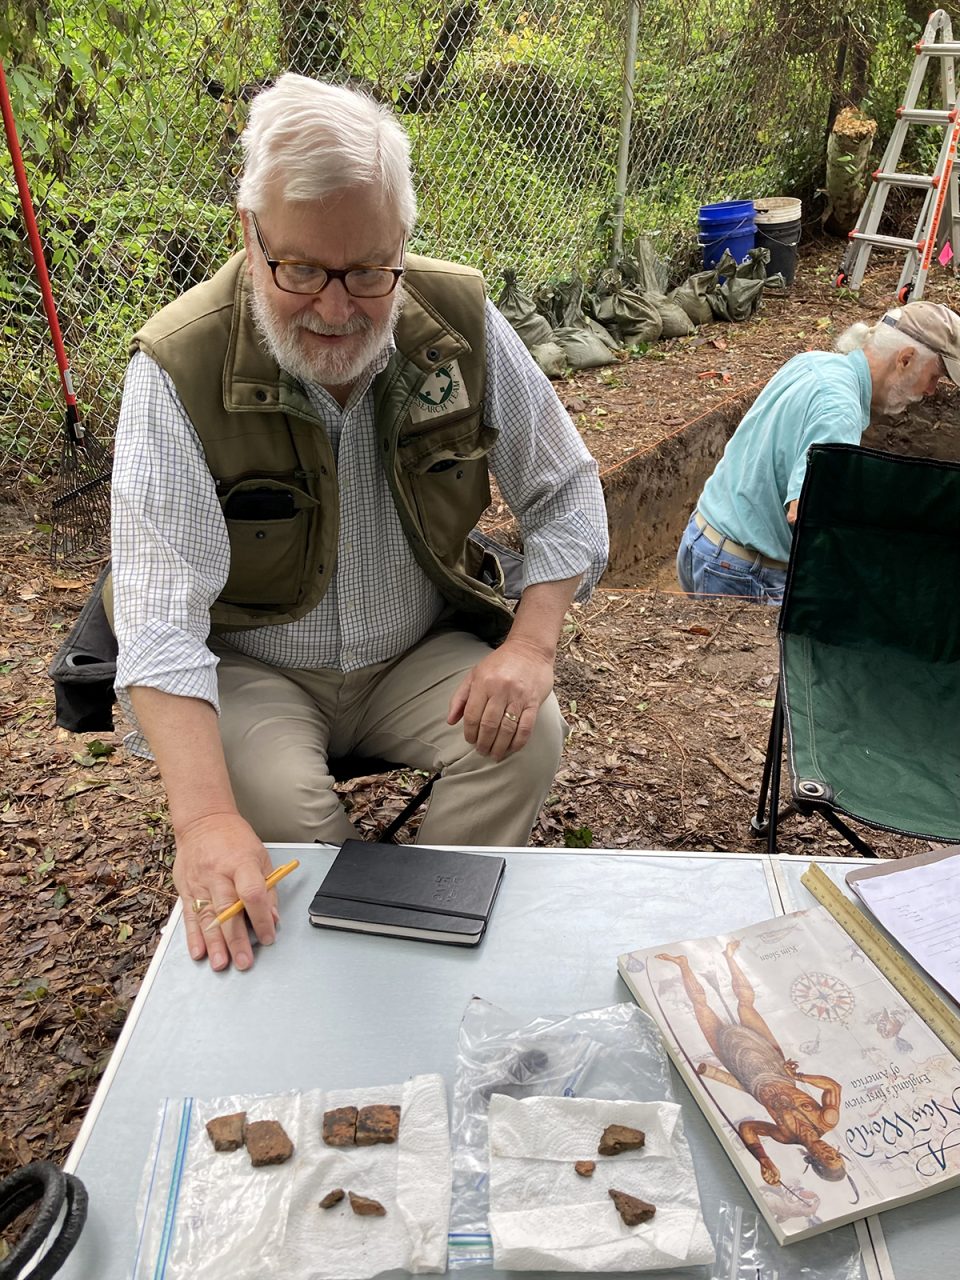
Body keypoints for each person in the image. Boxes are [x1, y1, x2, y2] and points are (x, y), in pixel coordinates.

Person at [109, 74, 608, 973]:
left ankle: (432, 947)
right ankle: (344, 981)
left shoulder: (456, 323)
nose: (337, 309)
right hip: (258, 669)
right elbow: (156, 620)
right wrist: (206, 819)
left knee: (525, 734)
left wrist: (530, 647)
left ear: (402, 245)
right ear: (248, 234)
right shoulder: (176, 369)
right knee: (288, 821)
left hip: (416, 652)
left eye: (371, 271)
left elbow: (566, 490)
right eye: (300, 268)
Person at [677, 301, 960, 603]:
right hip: (741, 572)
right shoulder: (840, 410)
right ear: (905, 359)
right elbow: (808, 512)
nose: (931, 391)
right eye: (934, 377)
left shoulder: (815, 363)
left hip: (704, 539)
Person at [657, 942, 845, 1187]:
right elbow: (833, 1088)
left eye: (827, 1159)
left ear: (814, 1161)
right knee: (745, 1003)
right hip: (774, 1063)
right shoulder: (827, 1120)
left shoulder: (785, 1136)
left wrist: (763, 1160)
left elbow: (748, 1128)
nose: (829, 1152)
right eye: (835, 1155)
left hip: (744, 1072)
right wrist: (800, 1077)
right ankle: (729, 956)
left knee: (701, 1007)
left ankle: (682, 963)